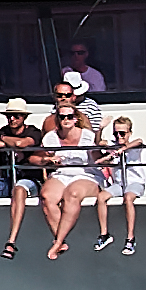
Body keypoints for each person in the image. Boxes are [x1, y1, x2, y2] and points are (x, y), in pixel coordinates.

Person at [0, 98, 44, 260]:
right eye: (9, 116)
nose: (12, 119)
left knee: (19, 189)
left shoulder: (33, 131)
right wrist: (8, 142)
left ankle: (11, 241)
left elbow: (22, 143)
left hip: (29, 179)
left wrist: (3, 140)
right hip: (6, 179)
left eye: (16, 116)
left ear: (24, 117)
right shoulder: (3, 131)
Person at [40, 106, 104, 259]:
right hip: (62, 173)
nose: (66, 120)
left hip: (87, 173)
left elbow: (98, 159)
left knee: (72, 194)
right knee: (47, 196)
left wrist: (99, 141)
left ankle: (57, 242)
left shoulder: (88, 136)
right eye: (62, 117)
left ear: (76, 118)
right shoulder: (50, 137)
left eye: (69, 116)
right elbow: (36, 157)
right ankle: (61, 241)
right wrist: (48, 159)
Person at [93, 116, 146, 255]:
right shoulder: (112, 146)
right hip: (119, 184)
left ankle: (130, 238)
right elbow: (98, 143)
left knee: (128, 198)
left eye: (122, 133)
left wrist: (123, 149)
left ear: (129, 133)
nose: (119, 136)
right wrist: (100, 128)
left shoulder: (134, 147)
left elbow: (139, 141)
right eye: (116, 133)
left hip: (135, 183)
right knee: (101, 197)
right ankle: (104, 234)